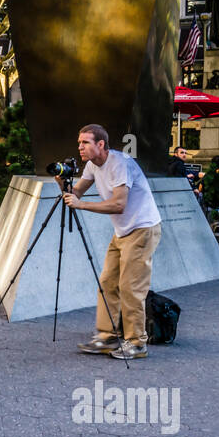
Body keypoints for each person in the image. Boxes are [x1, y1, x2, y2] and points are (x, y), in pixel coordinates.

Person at [64, 124, 164, 361]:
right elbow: (74, 194)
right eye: (79, 143)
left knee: (131, 287)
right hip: (122, 231)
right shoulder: (91, 165)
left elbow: (119, 203)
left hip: (142, 228)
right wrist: (62, 180)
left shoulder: (120, 163)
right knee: (108, 281)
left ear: (101, 144)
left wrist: (82, 205)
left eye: (85, 142)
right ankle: (108, 336)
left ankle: (137, 343)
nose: (80, 147)